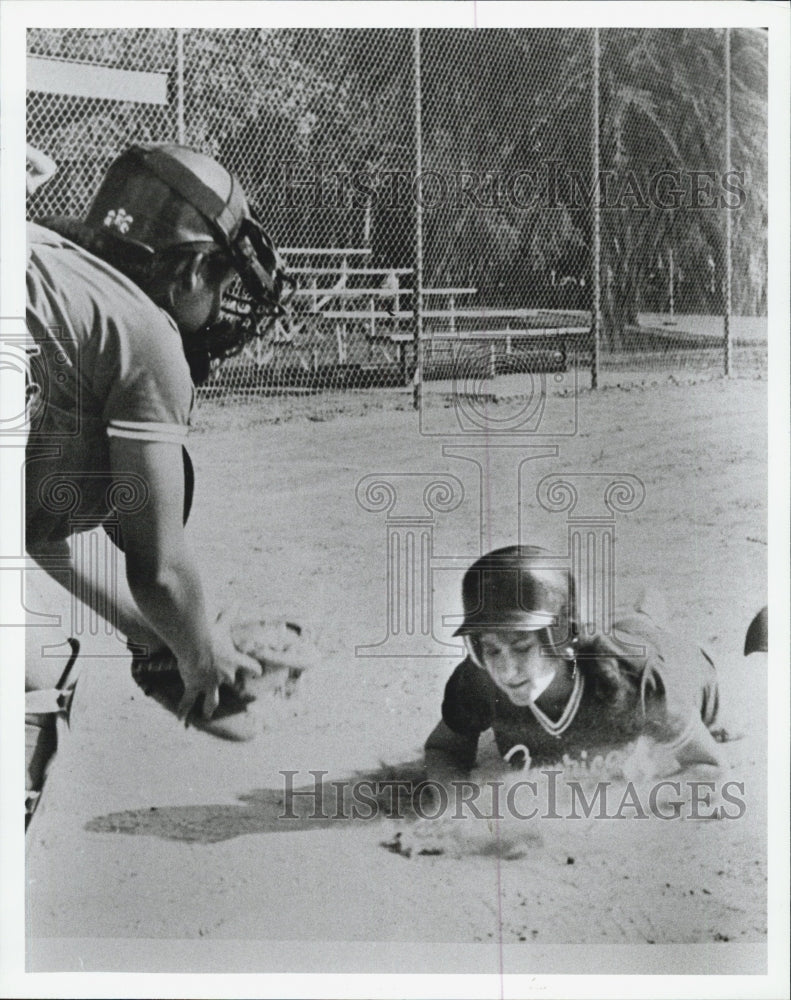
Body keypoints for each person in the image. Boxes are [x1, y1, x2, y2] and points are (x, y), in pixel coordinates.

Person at [25, 144, 292, 793]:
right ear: (192, 270)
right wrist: (200, 662)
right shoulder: (146, 333)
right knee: (26, 724)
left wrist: (152, 638)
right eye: (224, 285)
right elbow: (162, 570)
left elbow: (30, 531)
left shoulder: (49, 258)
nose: (223, 306)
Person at [424, 545, 726, 782]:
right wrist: (459, 807)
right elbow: (442, 750)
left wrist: (603, 809)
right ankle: (632, 612)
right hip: (591, 643)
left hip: (675, 661)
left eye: (521, 648)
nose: (506, 670)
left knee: (643, 631)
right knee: (618, 626)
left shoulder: (634, 680)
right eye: (491, 650)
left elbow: (711, 769)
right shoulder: (479, 679)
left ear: (558, 636)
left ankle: (643, 612)